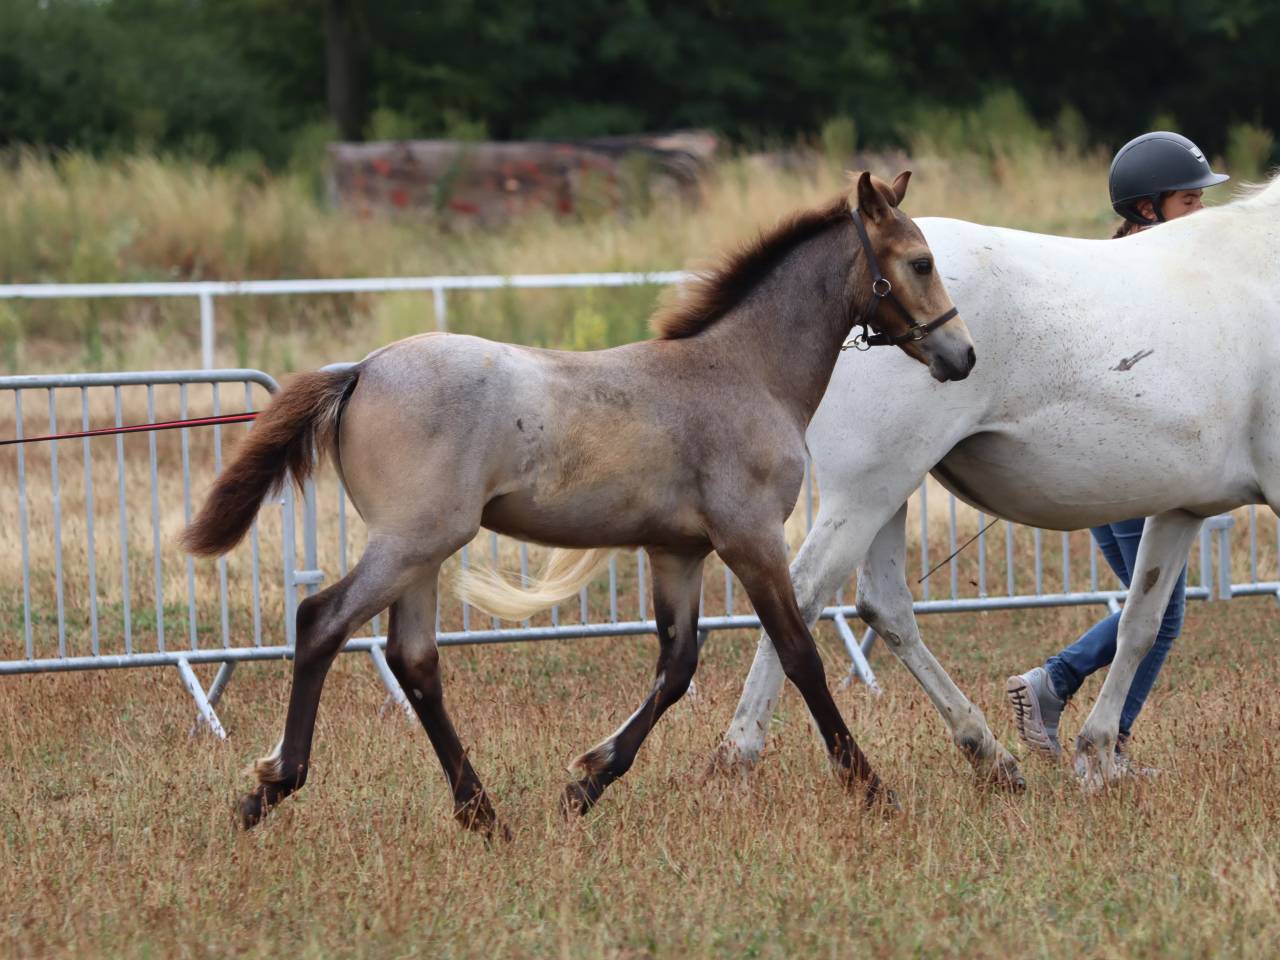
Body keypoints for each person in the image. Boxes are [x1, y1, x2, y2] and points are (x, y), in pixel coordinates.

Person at [1005, 132, 1229, 769]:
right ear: (1149, 210)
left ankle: (1091, 727)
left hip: (1113, 463)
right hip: (1137, 462)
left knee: (1151, 609)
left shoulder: (1115, 272)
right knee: (1160, 615)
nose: (1203, 215)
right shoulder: (1156, 280)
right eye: (1191, 202)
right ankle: (1059, 693)